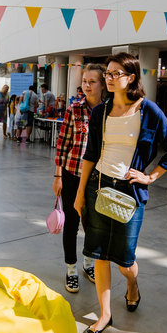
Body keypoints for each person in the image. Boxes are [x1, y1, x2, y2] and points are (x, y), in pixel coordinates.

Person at [74, 53, 167, 333]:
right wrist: (80, 194)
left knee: (124, 260)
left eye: (114, 74)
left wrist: (150, 176)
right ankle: (104, 314)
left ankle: (133, 285)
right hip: (98, 185)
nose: (108, 79)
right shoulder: (100, 111)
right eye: (107, 74)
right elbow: (90, 154)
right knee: (98, 254)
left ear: (131, 77)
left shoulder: (148, 110)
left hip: (128, 193)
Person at [53, 64, 107, 293]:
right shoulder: (74, 109)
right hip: (72, 174)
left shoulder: (109, 111)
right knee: (72, 225)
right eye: (84, 81)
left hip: (98, 178)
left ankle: (88, 264)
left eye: (92, 81)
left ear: (103, 84)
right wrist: (58, 176)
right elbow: (62, 145)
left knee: (94, 225)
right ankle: (71, 269)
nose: (86, 85)